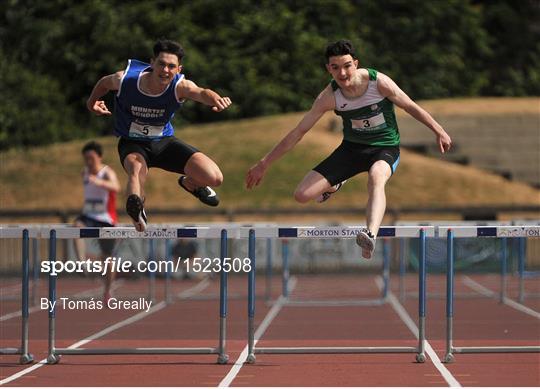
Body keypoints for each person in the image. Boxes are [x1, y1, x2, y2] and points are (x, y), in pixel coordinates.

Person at [246, 40, 452, 259]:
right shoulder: (329, 96)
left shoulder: (378, 82)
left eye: (346, 66)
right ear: (328, 69)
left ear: (355, 63)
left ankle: (369, 235)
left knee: (376, 177)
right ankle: (336, 184)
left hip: (384, 148)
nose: (342, 73)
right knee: (302, 195)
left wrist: (438, 130)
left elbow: (410, 105)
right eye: (335, 67)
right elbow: (298, 132)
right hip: (352, 150)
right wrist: (264, 163)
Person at [86, 39, 232, 231]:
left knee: (214, 177)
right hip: (132, 143)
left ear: (179, 69)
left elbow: (202, 92)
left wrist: (216, 100)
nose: (165, 70)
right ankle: (136, 209)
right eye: (161, 64)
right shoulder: (126, 80)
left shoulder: (180, 86)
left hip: (163, 142)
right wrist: (92, 103)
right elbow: (104, 83)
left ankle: (191, 184)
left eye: (171, 66)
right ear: (152, 62)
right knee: (136, 171)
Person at [74, 141, 120, 303]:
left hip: (106, 218)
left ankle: (107, 291)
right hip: (89, 215)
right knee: (77, 225)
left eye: (91, 158)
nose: (88, 162)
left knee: (107, 258)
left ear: (99, 157)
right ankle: (81, 262)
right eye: (86, 158)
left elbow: (116, 187)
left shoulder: (107, 172)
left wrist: (100, 183)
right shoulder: (84, 172)